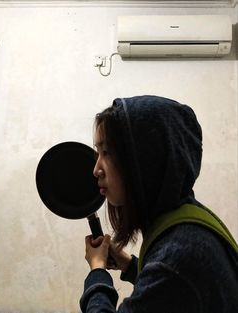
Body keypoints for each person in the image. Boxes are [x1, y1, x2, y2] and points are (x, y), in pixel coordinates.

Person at [79, 95, 238, 313]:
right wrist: (129, 265)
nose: (96, 169)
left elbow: (171, 275)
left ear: (145, 160)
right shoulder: (189, 222)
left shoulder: (176, 258)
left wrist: (97, 271)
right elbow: (173, 296)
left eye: (106, 153)